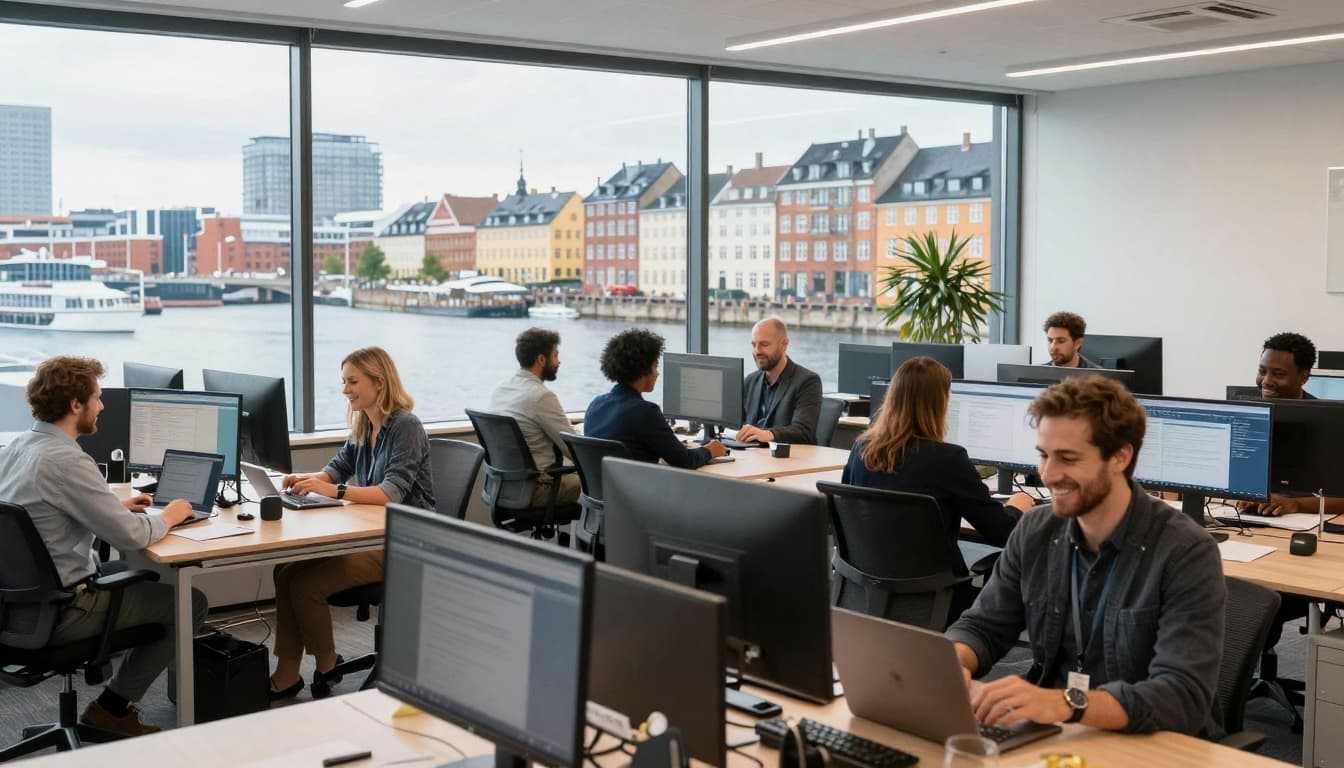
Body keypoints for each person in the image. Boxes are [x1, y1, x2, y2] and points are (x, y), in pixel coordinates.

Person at [946, 375, 1226, 738]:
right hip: (1054, 733)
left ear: (1120, 457)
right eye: (1044, 455)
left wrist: (1068, 702)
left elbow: (1181, 697)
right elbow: (984, 626)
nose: (1048, 474)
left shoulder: (1185, 552)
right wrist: (954, 660)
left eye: (1068, 458)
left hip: (1147, 742)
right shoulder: (1035, 531)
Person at [0, 356, 208, 737]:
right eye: (96, 397)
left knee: (136, 574)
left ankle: (113, 703)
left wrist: (113, 508)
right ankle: (111, 708)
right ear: (75, 405)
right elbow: (131, 537)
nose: (102, 405)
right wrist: (172, 516)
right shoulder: (67, 461)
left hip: (16, 606)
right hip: (66, 608)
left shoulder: (14, 449)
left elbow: (41, 514)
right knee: (188, 603)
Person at [269, 347, 434, 700]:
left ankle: (327, 664)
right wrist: (304, 478)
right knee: (284, 568)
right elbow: (334, 470)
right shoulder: (363, 423)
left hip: (408, 542)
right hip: (371, 533)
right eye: (344, 381)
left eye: (353, 381)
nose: (345, 389)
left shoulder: (406, 426)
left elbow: (391, 492)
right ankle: (287, 672)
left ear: (379, 381)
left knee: (304, 584)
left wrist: (334, 490)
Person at [842, 356, 1035, 581]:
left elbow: (850, 513)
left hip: (866, 584)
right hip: (935, 595)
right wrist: (1017, 507)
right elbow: (1002, 533)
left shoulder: (861, 449)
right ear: (941, 402)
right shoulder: (949, 459)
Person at [584, 328, 729, 468]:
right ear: (643, 370)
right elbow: (684, 461)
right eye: (655, 367)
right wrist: (710, 450)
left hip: (602, 491)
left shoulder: (595, 405)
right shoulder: (645, 412)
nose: (657, 374)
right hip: (636, 491)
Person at [488, 327, 580, 506]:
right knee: (599, 484)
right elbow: (572, 449)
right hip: (538, 488)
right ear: (541, 359)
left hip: (503, 486)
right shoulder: (541, 396)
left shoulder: (501, 390)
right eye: (555, 355)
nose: (559, 362)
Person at [737, 318, 823, 445]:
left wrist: (768, 434)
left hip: (790, 460)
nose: (757, 351)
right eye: (753, 344)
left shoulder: (808, 381)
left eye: (764, 344)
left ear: (784, 345)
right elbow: (738, 423)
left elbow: (803, 431)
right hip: (753, 456)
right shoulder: (750, 381)